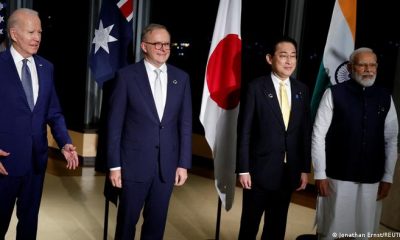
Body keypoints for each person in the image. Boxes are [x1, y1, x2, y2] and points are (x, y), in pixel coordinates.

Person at [107, 23, 192, 240]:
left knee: (156, 225)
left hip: (167, 166)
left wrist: (183, 163)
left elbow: (184, 124)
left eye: (167, 44)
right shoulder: (126, 76)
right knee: (126, 224)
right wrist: (115, 166)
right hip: (132, 165)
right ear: (144, 46)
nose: (163, 48)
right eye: (157, 44)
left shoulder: (181, 78)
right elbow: (114, 125)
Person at [0, 8, 79, 240]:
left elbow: (53, 112)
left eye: (40, 32)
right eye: (31, 32)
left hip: (36, 162)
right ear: (14, 34)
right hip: (4, 163)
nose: (37, 38)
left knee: (29, 225)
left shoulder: (46, 67)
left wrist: (65, 142)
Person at [312, 47, 398, 240]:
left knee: (362, 233)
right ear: (351, 67)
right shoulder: (333, 94)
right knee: (331, 232)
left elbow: (391, 139)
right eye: (362, 65)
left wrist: (388, 176)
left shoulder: (385, 97)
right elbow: (318, 135)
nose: (368, 69)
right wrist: (319, 173)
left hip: (372, 179)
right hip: (337, 178)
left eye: (372, 65)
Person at [236, 36, 311, 240]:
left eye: (293, 56)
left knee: (277, 227)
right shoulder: (256, 88)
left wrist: (305, 168)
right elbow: (245, 131)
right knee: (249, 225)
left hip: (288, 172)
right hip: (258, 171)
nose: (289, 61)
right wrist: (243, 169)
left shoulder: (302, 91)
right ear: (270, 58)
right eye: (283, 55)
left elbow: (305, 132)